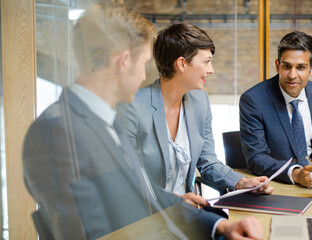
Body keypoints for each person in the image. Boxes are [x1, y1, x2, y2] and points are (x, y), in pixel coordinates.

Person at [23, 1, 264, 239]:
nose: (142, 76)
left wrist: (217, 227)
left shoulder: (104, 121)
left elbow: (146, 194)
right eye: (142, 64)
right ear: (123, 61)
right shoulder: (57, 130)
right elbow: (95, 226)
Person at [117, 22, 273, 208]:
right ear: (182, 64)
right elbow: (127, 180)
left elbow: (208, 162)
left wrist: (242, 183)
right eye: (206, 62)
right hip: (147, 212)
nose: (211, 69)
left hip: (187, 212)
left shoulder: (199, 101)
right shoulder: (132, 106)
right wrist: (175, 201)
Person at [239, 31, 312, 188]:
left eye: (300, 67)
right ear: (278, 66)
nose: (292, 75)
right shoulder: (253, 100)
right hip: (277, 185)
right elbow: (256, 157)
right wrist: (296, 174)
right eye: (286, 66)